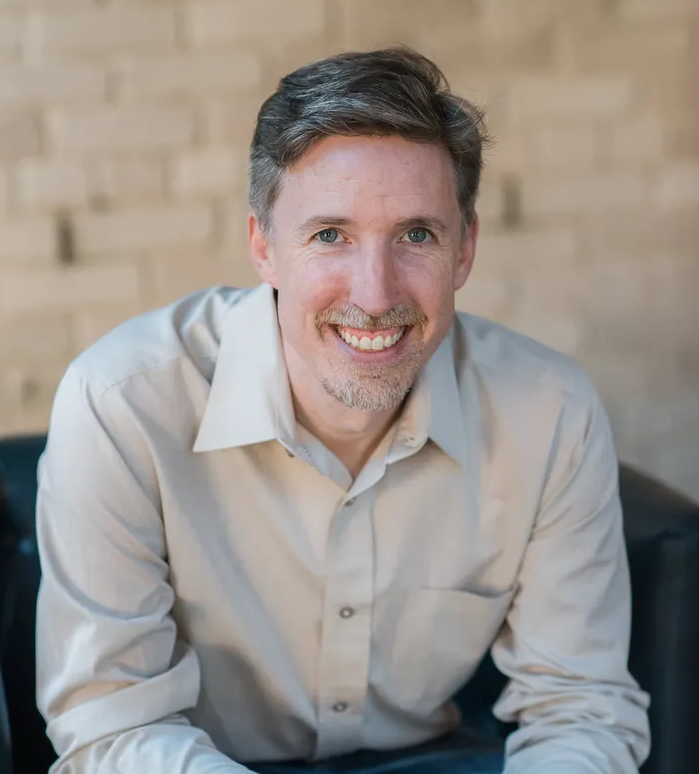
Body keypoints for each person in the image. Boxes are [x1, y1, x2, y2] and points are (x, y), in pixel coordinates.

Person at [35, 48, 651, 773]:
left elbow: (580, 708)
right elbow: (110, 727)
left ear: (466, 250)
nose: (374, 291)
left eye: (417, 235)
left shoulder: (550, 413)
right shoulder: (120, 404)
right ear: (262, 245)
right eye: (330, 235)